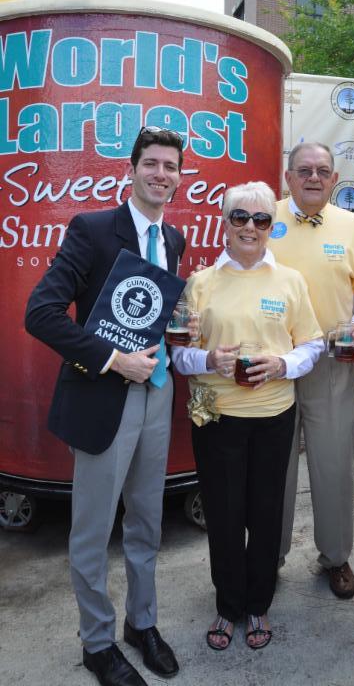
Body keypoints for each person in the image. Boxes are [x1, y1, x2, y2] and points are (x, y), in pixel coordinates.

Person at [25, 127, 186, 686]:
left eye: (170, 166)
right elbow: (40, 313)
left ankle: (142, 623)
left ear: (179, 176)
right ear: (132, 169)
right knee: (93, 530)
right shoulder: (92, 230)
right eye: (151, 163)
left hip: (158, 395)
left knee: (146, 519)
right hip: (103, 398)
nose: (160, 174)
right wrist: (115, 360)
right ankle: (97, 642)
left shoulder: (174, 239)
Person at [172, 181, 323, 651]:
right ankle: (228, 605)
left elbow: (312, 344)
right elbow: (179, 355)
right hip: (217, 418)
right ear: (224, 223)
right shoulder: (200, 283)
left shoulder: (290, 281)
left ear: (271, 226)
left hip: (274, 414)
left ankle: (258, 603)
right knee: (223, 514)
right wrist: (209, 359)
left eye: (261, 219)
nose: (250, 227)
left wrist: (282, 364)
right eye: (240, 217)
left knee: (265, 513)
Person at [269, 142, 354, 598]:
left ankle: (335, 556)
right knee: (273, 467)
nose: (313, 177)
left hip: (334, 363)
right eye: (304, 170)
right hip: (275, 363)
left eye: (322, 171)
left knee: (334, 464)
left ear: (335, 179)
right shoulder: (263, 218)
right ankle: (269, 557)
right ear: (288, 178)